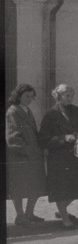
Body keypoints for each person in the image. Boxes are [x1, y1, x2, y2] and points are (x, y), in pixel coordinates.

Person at [38, 84, 78, 229]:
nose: (70, 98)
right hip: (59, 158)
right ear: (58, 96)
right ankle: (65, 219)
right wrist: (64, 138)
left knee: (76, 187)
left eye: (71, 96)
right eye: (66, 96)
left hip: (76, 155)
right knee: (61, 189)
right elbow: (43, 139)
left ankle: (61, 211)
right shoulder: (50, 115)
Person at [5, 83, 48, 225]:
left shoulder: (27, 110)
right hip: (21, 157)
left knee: (35, 185)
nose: (29, 99)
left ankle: (29, 213)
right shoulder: (13, 111)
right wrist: (29, 151)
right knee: (19, 187)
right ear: (18, 96)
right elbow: (12, 137)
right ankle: (20, 215)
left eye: (32, 96)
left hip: (33, 155)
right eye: (26, 96)